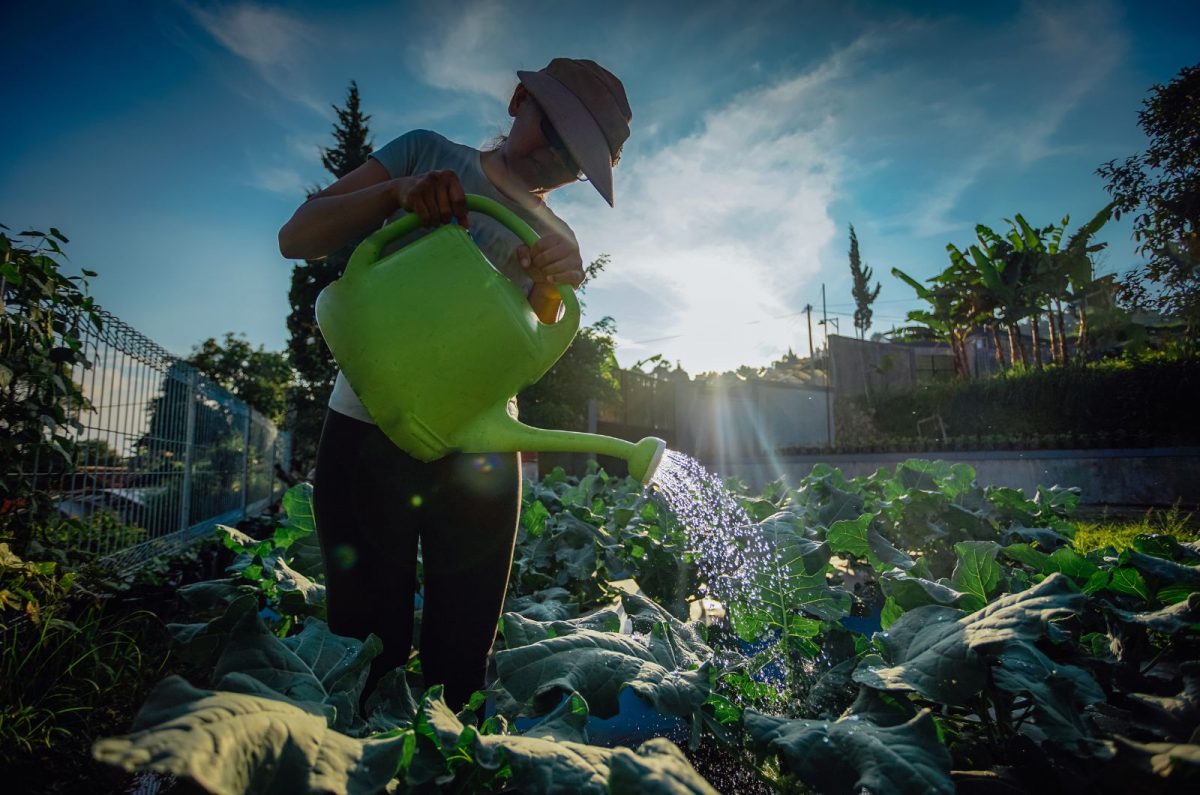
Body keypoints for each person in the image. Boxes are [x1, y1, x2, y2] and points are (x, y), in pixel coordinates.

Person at [277, 58, 632, 710]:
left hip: (479, 458)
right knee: (367, 651)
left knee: (462, 666)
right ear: (519, 99)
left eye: (575, 158)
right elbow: (296, 236)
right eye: (552, 130)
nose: (555, 157)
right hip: (365, 435)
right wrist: (396, 192)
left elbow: (530, 348)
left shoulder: (558, 240)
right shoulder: (427, 154)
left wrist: (552, 290)